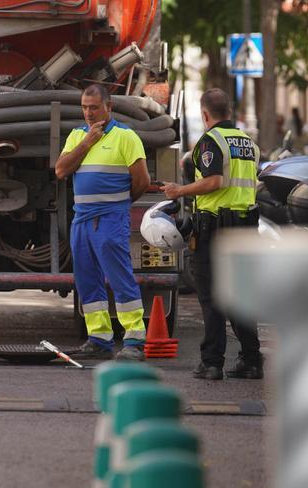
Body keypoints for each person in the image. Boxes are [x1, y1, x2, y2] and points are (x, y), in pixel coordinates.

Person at [160, 88, 262, 380]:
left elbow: (215, 181)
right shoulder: (248, 143)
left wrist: (180, 190)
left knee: (211, 296)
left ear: (205, 114)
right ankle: (252, 360)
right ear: (229, 111)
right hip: (245, 228)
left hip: (216, 230)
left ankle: (212, 361)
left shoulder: (210, 140)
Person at [55, 84, 151, 361]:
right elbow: (61, 170)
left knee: (120, 277)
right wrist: (87, 143)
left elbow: (142, 181)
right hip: (82, 219)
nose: (88, 113)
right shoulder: (77, 136)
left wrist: (118, 204)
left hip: (110, 218)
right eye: (84, 107)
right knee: (87, 280)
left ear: (108, 107)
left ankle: (134, 338)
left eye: (94, 107)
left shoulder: (125, 137)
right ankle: (99, 338)